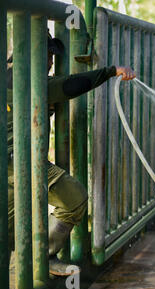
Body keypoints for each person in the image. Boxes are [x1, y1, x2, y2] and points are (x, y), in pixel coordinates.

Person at [6, 31, 136, 276]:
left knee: (11, 222)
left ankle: (20, 271)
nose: (51, 62)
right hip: (19, 159)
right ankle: (42, 257)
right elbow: (72, 85)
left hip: (10, 162)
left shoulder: (8, 74)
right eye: (47, 55)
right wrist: (111, 71)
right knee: (74, 199)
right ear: (31, 55)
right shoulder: (29, 81)